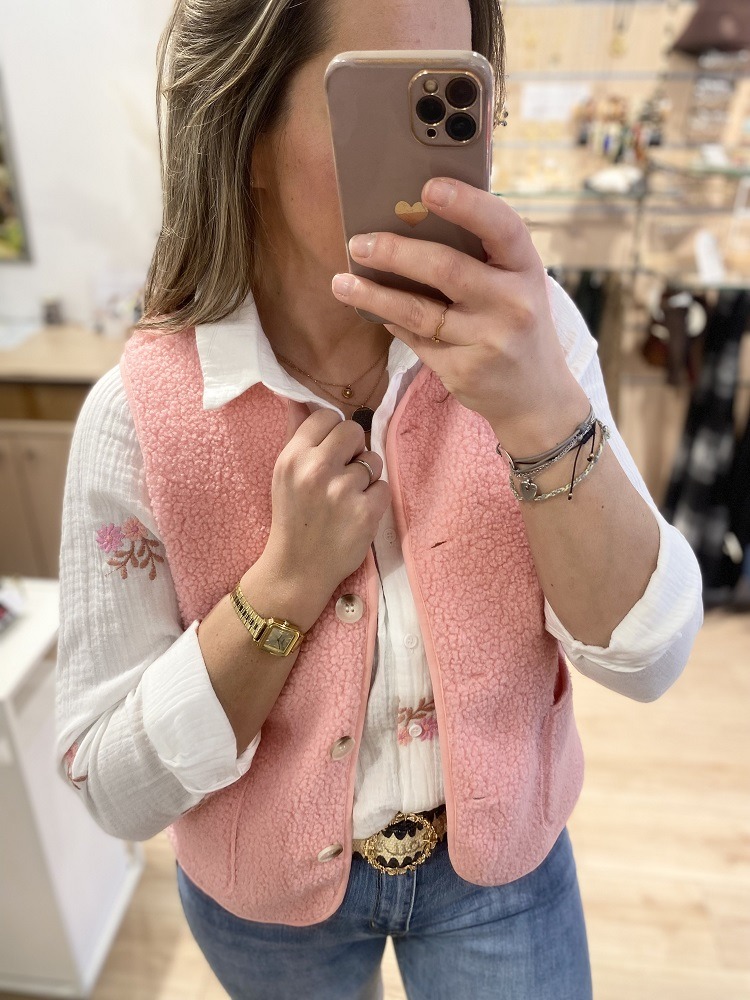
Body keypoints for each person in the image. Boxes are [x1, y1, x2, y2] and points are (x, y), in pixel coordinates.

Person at [55, 1, 704, 998]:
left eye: (459, 97)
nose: (446, 161)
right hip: (264, 899)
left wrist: (541, 417)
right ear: (246, 131)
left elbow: (652, 660)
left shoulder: (537, 341)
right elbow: (111, 784)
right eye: (392, 99)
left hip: (501, 873)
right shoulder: (138, 418)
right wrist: (282, 588)